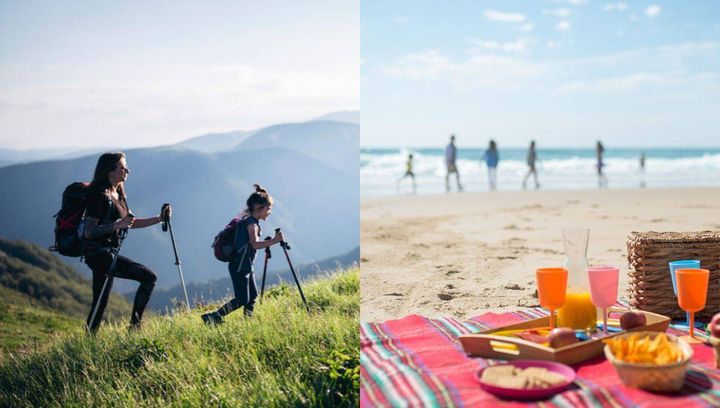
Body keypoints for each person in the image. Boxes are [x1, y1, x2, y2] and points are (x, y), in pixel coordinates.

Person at [83, 152, 171, 332]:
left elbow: (131, 222)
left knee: (100, 302)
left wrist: (159, 218)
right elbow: (89, 231)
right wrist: (117, 225)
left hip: (107, 254)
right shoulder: (100, 196)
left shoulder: (118, 194)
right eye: (123, 167)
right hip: (99, 254)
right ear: (110, 170)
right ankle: (135, 328)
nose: (127, 171)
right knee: (149, 277)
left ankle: (88, 339)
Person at [202, 184, 284, 324]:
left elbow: (250, 243)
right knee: (242, 299)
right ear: (259, 208)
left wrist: (267, 242)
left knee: (252, 296)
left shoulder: (250, 221)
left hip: (244, 265)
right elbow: (255, 244)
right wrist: (274, 241)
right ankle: (214, 316)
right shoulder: (251, 224)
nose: (269, 212)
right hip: (239, 266)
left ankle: (248, 322)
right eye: (268, 209)